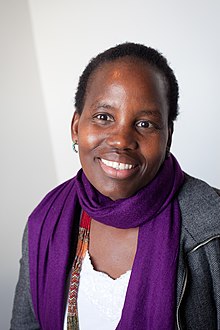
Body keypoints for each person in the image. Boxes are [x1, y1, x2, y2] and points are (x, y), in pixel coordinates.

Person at [10, 42, 220, 330]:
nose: (121, 140)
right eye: (104, 117)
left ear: (167, 137)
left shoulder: (212, 226)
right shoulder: (45, 219)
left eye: (145, 124)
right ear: (76, 127)